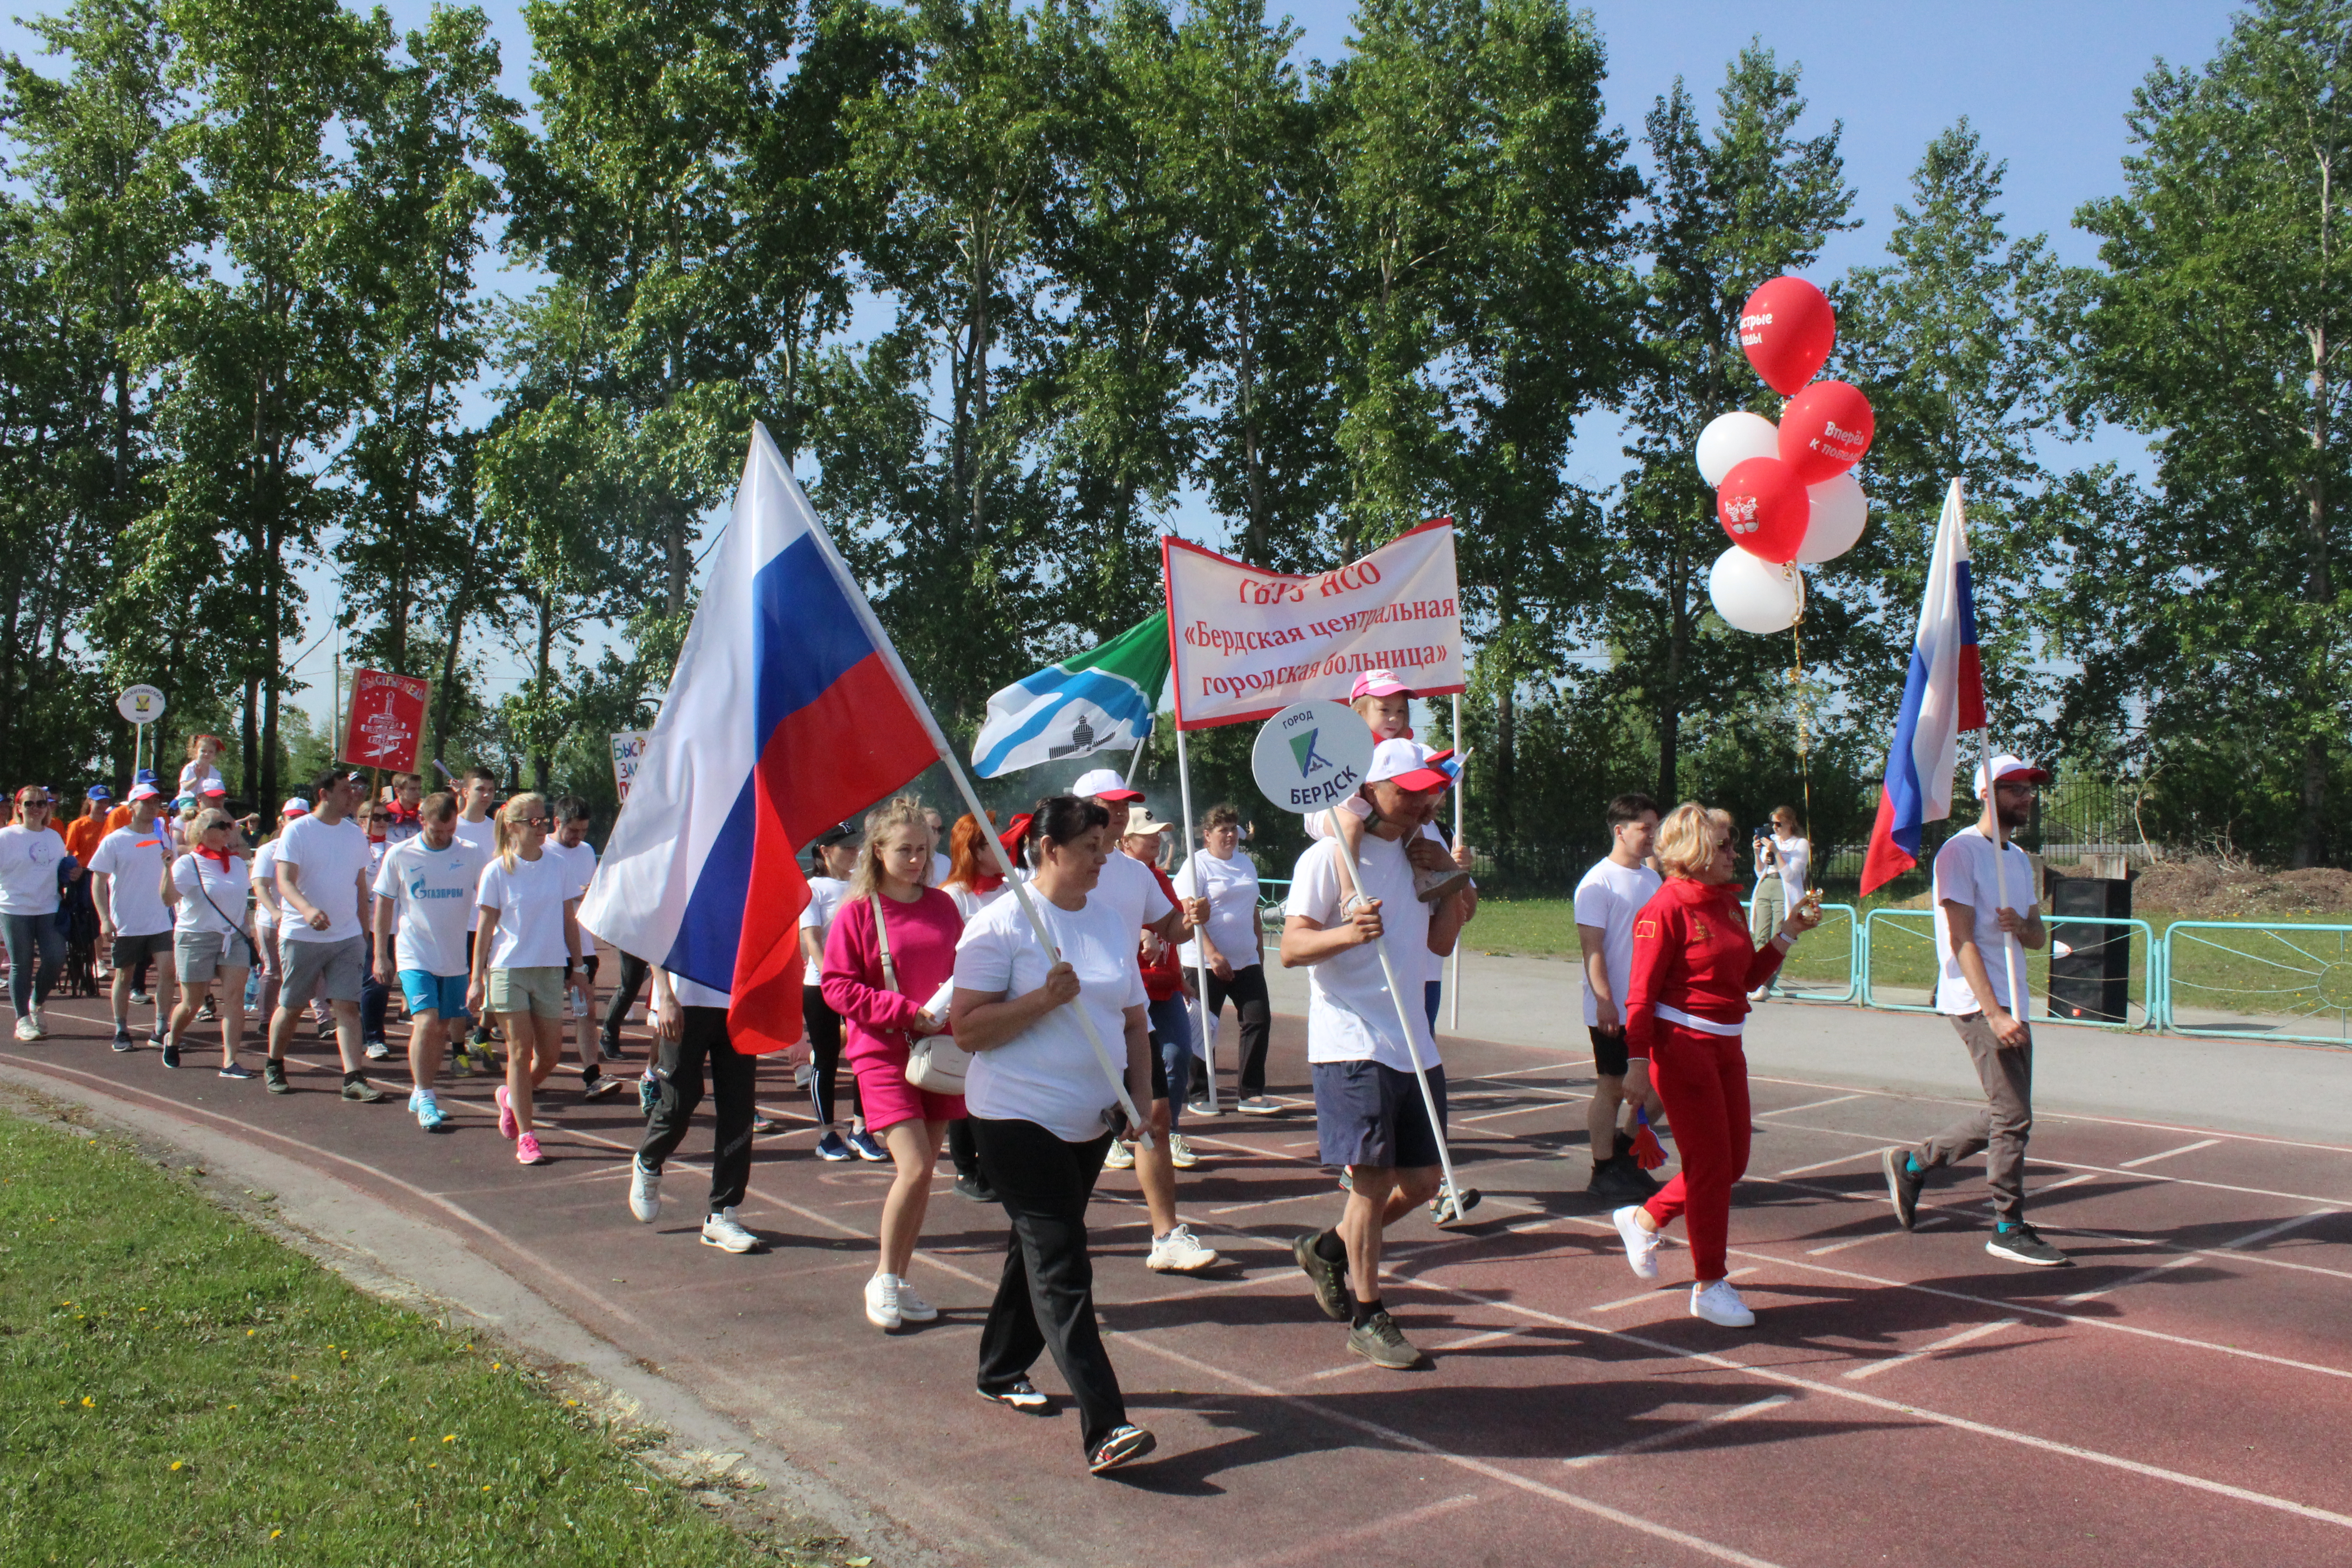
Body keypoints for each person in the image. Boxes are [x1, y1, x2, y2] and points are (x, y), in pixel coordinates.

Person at [950, 796, 1159, 1476]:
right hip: (1015, 1117)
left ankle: (1001, 1366)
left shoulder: (1106, 918)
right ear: (1049, 848)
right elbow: (968, 1030)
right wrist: (1043, 998)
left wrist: (1141, 1097)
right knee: (1063, 1259)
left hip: (1090, 1121)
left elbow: (1133, 1019)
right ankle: (1107, 1425)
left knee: (1037, 1247)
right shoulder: (1001, 925)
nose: (1105, 857)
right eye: (1093, 846)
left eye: (1106, 843)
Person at [1283, 740, 1474, 1369]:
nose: (1423, 802)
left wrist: (1450, 881)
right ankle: (1368, 1313)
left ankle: (1331, 1248)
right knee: (1371, 1183)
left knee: (1420, 1183)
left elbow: (1441, 945)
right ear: (1373, 788)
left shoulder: (1425, 854)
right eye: (1409, 791)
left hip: (1411, 1039)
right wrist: (1347, 932)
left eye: (1430, 792)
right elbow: (1291, 948)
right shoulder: (1329, 855)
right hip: (1351, 1040)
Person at [1610, 803, 1822, 1328]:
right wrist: (1637, 1063)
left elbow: (1746, 978)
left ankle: (1644, 1217)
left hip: (1728, 1046)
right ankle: (1710, 1283)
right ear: (1697, 851)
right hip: (1681, 1048)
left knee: (1733, 1164)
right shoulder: (1665, 908)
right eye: (1726, 845)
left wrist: (1789, 930)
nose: (1737, 854)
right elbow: (1639, 998)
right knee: (1708, 1168)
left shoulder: (1726, 904)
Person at [1882, 755, 2066, 1266]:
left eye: (2030, 787)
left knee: (2008, 1112)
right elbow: (1961, 940)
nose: (2026, 796)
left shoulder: (2018, 859)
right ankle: (2007, 1224)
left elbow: (2036, 935)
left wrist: (2020, 926)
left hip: (2015, 999)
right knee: (2014, 1116)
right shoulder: (1958, 853)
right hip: (1978, 1002)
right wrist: (1995, 1014)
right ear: (1986, 793)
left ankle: (1914, 1163)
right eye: (2014, 788)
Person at [822, 796, 967, 1330]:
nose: (915, 859)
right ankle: (883, 1278)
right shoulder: (859, 912)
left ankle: (899, 1279)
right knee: (914, 1166)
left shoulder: (943, 907)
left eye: (923, 850)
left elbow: (963, 968)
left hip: (939, 1052)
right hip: (884, 1052)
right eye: (904, 849)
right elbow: (837, 987)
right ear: (876, 851)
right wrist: (905, 1011)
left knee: (925, 1173)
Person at [1072, 769, 1217, 1274]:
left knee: (1154, 1116)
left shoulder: (1139, 874)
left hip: (1131, 1015)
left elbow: (1170, 926)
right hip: (1070, 1018)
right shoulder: (1057, 865)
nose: (1117, 812)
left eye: (1123, 804)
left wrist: (1191, 917)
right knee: (1071, 1129)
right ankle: (1052, 1229)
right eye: (1108, 805)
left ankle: (1166, 1235)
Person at [470, 792, 589, 1167]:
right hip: (509, 971)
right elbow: (485, 929)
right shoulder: (496, 872)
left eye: (544, 820)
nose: (542, 828)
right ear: (512, 826)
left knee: (550, 1056)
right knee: (519, 1052)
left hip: (550, 969)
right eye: (534, 822)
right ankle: (527, 1134)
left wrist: (580, 967)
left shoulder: (557, 866)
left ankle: (509, 1097)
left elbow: (570, 921)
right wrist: (477, 979)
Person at [371, 790, 489, 1132]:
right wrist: (382, 954)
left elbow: (490, 897)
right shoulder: (400, 854)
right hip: (414, 953)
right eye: (437, 830)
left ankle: (420, 1086)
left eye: (450, 830)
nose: (444, 837)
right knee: (426, 1021)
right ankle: (426, 1095)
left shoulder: (471, 853)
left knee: (440, 1029)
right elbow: (384, 907)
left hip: (453, 958)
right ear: (421, 820)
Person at [628, 962, 762, 1254]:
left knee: (739, 1110)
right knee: (679, 1102)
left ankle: (722, 1214)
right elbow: (657, 932)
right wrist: (664, 996)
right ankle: (649, 1160)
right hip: (684, 1000)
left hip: (739, 1001)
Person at [267, 770, 382, 1101]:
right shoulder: (298, 831)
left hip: (346, 937)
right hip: (302, 934)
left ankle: (353, 1078)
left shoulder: (354, 834)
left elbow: (360, 887)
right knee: (292, 1005)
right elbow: (284, 882)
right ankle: (275, 1063)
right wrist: (307, 910)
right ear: (324, 795)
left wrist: (364, 933)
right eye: (346, 790)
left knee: (348, 1006)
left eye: (356, 789)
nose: (354, 795)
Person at [1575, 793, 1666, 1201]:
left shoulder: (1652, 878)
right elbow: (1592, 949)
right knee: (1613, 1087)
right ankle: (1602, 1168)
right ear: (1621, 830)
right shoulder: (1597, 884)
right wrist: (1605, 1001)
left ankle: (1628, 1154)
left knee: (1663, 1085)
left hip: (1652, 1005)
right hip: (1613, 1005)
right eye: (1645, 828)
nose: (1652, 836)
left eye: (1654, 827)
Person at [1119, 809, 1204, 1172]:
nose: (1156, 840)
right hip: (1130, 990)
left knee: (1178, 1054)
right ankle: (1116, 1135)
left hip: (1165, 990)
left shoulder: (1157, 878)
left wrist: (1192, 920)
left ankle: (1168, 1130)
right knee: (1123, 1065)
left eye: (1159, 834)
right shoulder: (1108, 877)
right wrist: (1141, 933)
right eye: (1147, 834)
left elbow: (1173, 930)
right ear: (1125, 841)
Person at [1174, 803, 1269, 1114]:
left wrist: (1258, 951)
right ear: (1207, 836)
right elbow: (1191, 914)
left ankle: (1251, 1093)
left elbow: (1253, 909)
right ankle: (1200, 1092)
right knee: (1204, 1026)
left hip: (1246, 959)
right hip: (1203, 961)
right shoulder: (1197, 865)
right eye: (1222, 830)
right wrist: (1213, 955)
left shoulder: (1246, 865)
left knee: (1257, 1019)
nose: (1230, 835)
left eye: (1233, 829)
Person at [800, 822, 882, 1160]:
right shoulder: (813, 889)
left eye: (855, 846)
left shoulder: (862, 886)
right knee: (827, 1059)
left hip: (857, 986)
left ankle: (861, 1129)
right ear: (825, 852)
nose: (853, 852)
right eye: (845, 846)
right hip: (822, 987)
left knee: (863, 1055)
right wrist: (835, 979)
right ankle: (826, 1135)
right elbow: (812, 940)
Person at [939, 811, 1008, 1200]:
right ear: (974, 850)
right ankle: (967, 1169)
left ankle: (994, 1164)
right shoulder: (954, 896)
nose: (1002, 848)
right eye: (992, 842)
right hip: (968, 1003)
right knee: (965, 1089)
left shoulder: (1012, 890)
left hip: (1006, 1004)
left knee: (997, 1085)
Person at [162, 807, 257, 1077]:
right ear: (203, 832)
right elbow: (168, 900)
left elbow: (242, 903)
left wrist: (247, 933)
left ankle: (230, 1061)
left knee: (235, 1000)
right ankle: (173, 1038)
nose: (229, 829)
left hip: (234, 938)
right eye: (222, 825)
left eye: (230, 825)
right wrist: (166, 870)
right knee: (191, 1003)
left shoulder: (237, 864)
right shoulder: (188, 863)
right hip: (196, 937)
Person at [88, 784, 178, 1052]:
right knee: (124, 976)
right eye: (146, 802)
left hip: (160, 919)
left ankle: (161, 1026)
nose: (152, 807)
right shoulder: (115, 840)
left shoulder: (165, 839)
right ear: (132, 807)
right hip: (127, 921)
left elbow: (172, 875)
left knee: (168, 971)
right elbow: (98, 881)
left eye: (156, 802)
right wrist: (104, 918)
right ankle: (121, 1029)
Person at [545, 796, 619, 1100]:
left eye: (584, 831)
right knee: (544, 1020)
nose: (579, 838)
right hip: (546, 951)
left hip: (580, 952)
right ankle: (527, 1075)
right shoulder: (541, 852)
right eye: (573, 831)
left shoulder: (587, 852)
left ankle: (592, 1076)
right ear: (557, 823)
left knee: (584, 1011)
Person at [1, 787, 73, 1041]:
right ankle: (22, 1020)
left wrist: (72, 874)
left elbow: (60, 871)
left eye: (41, 803)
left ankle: (37, 1002)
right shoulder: (6, 837)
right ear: (18, 808)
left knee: (55, 959)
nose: (36, 809)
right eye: (29, 804)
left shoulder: (54, 837)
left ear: (48, 808)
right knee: (22, 964)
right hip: (14, 908)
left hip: (48, 907)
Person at [453, 767, 501, 1073]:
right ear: (464, 791)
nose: (486, 796)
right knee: (463, 991)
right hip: (459, 923)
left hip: (493, 922)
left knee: (497, 987)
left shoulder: (497, 827)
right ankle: (458, 1050)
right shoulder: (451, 827)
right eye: (480, 789)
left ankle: (481, 1036)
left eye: (491, 791)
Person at [249, 799, 306, 1034]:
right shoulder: (268, 850)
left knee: (310, 972)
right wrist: (274, 911)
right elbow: (260, 886)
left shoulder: (311, 846)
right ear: (282, 821)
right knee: (273, 972)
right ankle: (265, 1019)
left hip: (302, 920)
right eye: (292, 818)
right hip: (273, 920)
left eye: (302, 817)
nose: (297, 822)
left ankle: (324, 1019)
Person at [1747, 805, 1809, 1001]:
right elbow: (1760, 872)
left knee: (1778, 936)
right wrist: (1758, 854)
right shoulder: (1771, 841)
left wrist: (1778, 853)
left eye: (1779, 824)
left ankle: (1765, 985)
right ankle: (1755, 981)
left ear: (1790, 823)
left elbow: (1790, 875)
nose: (1775, 828)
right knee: (1761, 935)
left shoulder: (1800, 844)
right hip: (1766, 885)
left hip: (1785, 890)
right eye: (1772, 824)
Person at [353, 799, 395, 1059]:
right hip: (361, 924)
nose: (380, 822)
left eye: (385, 818)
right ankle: (373, 1038)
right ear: (361, 821)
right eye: (374, 817)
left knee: (384, 981)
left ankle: (364, 1028)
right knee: (373, 981)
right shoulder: (355, 849)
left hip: (392, 926)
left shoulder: (396, 850)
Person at [177, 733, 227, 800]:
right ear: (196, 752)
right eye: (203, 751)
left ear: (215, 755)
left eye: (211, 752)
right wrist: (196, 779)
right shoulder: (190, 768)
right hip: (189, 799)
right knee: (192, 810)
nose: (207, 754)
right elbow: (185, 788)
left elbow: (219, 790)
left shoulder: (216, 773)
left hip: (207, 800)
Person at [382, 773, 426, 845]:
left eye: (419, 789)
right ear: (398, 791)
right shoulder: (387, 813)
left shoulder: (424, 812)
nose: (418, 793)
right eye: (413, 789)